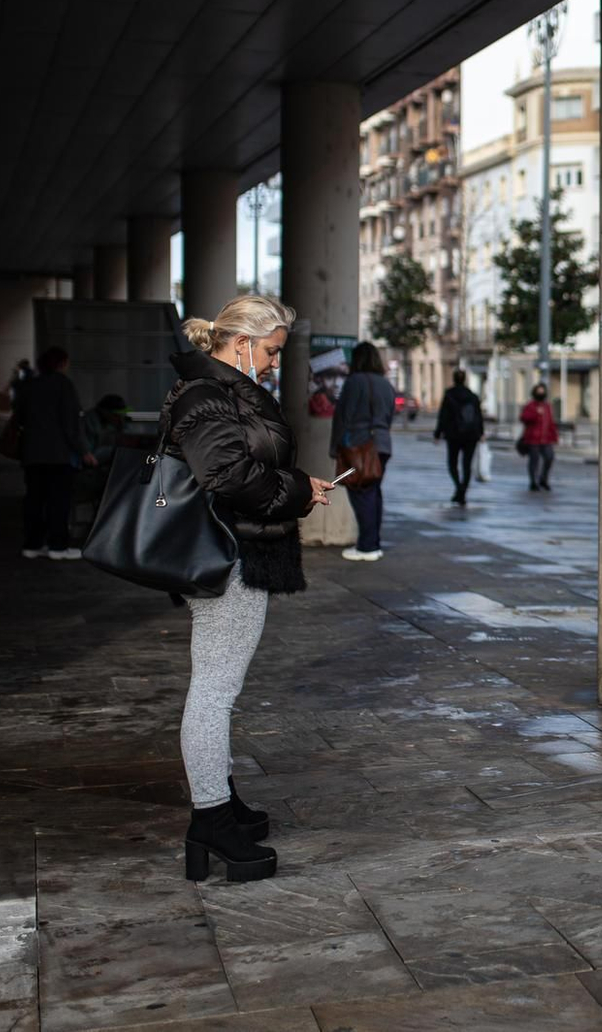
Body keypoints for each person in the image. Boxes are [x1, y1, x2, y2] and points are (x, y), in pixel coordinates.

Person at [166, 295, 334, 883]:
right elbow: (226, 475)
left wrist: (293, 484)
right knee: (214, 691)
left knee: (217, 686)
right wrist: (294, 490)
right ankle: (209, 819)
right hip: (228, 555)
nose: (271, 363)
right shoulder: (208, 395)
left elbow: (241, 465)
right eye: (269, 352)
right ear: (241, 344)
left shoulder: (217, 392)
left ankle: (223, 802)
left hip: (238, 548)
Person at [15, 347, 95, 559]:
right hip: (58, 454)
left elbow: (19, 418)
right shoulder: (63, 385)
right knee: (58, 501)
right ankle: (57, 546)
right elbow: (71, 424)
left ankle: (32, 544)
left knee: (34, 499)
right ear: (61, 363)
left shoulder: (29, 385)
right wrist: (84, 451)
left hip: (32, 453)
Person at [331, 342, 395, 560]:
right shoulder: (386, 384)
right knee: (373, 491)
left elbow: (343, 417)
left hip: (359, 445)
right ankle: (373, 543)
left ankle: (367, 547)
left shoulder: (354, 382)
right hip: (383, 444)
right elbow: (389, 416)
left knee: (360, 492)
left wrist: (335, 447)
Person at [434, 370, 485, 506]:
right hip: (471, 434)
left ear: (454, 379)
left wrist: (437, 433)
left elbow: (443, 415)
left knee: (452, 463)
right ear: (465, 379)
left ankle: (459, 488)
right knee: (467, 465)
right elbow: (478, 415)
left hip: (453, 434)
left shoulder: (449, 394)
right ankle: (462, 491)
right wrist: (481, 433)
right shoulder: (472, 396)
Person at [520, 382, 558, 491]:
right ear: (535, 392)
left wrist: (554, 435)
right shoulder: (530, 405)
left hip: (546, 438)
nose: (541, 393)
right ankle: (533, 482)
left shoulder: (547, 406)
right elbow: (523, 418)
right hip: (533, 438)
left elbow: (551, 422)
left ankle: (543, 479)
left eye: (543, 391)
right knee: (534, 460)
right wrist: (536, 414)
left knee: (549, 457)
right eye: (539, 391)